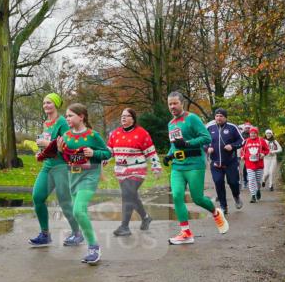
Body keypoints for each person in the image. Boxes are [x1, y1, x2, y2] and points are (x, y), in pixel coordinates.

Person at [163, 92, 229, 245]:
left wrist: (187, 143)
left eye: (175, 103)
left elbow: (206, 138)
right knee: (177, 195)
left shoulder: (191, 118)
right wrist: (168, 155)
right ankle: (186, 233)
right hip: (178, 167)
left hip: (194, 165)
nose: (172, 107)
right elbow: (174, 145)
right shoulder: (171, 123)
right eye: (170, 104)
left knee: (197, 198)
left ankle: (215, 212)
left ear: (182, 103)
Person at [57, 104, 112, 265]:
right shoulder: (65, 136)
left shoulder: (93, 136)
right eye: (66, 116)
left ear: (81, 117)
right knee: (79, 213)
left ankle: (94, 247)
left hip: (90, 176)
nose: (67, 118)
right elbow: (66, 158)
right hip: (73, 177)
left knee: (78, 210)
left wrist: (94, 153)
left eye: (70, 115)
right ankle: (82, 237)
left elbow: (108, 153)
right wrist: (60, 151)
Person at [29, 93, 83, 248]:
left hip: (61, 166)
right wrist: (40, 153)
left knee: (65, 201)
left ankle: (77, 233)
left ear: (56, 105)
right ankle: (45, 234)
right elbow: (47, 147)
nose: (46, 105)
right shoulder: (46, 123)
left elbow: (68, 147)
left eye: (49, 102)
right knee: (37, 197)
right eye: (44, 102)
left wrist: (46, 143)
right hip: (48, 166)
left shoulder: (62, 123)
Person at [107, 108, 162, 236]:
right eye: (122, 116)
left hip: (137, 170)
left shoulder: (142, 133)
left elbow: (151, 152)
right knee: (131, 196)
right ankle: (146, 217)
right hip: (121, 170)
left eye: (127, 116)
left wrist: (156, 167)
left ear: (133, 118)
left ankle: (124, 227)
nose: (123, 118)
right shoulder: (115, 133)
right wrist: (104, 159)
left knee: (127, 195)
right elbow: (109, 151)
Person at [205, 108, 244, 212]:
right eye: (217, 116)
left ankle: (236, 196)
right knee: (218, 183)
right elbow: (203, 141)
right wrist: (207, 148)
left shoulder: (232, 127)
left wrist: (232, 146)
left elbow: (242, 141)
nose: (219, 118)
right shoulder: (209, 128)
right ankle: (223, 206)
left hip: (230, 162)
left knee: (233, 182)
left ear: (225, 117)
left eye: (221, 116)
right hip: (215, 163)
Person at [241, 127, 271, 203]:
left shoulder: (261, 141)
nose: (253, 134)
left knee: (258, 181)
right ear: (249, 134)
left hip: (259, 164)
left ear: (257, 134)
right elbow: (242, 150)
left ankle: (258, 190)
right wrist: (242, 156)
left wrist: (263, 154)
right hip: (249, 164)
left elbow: (267, 150)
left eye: (254, 133)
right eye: (251, 133)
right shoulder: (246, 141)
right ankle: (253, 196)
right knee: (251, 180)